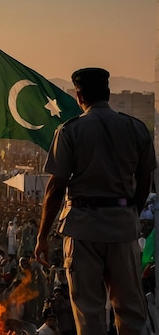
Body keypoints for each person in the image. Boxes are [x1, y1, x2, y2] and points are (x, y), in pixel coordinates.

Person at [35, 67, 156, 335]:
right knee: (131, 311)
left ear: (79, 97)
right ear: (109, 93)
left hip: (83, 230)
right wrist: (131, 210)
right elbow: (146, 177)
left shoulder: (69, 131)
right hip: (123, 229)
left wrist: (42, 236)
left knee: (89, 314)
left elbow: (56, 187)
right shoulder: (136, 128)